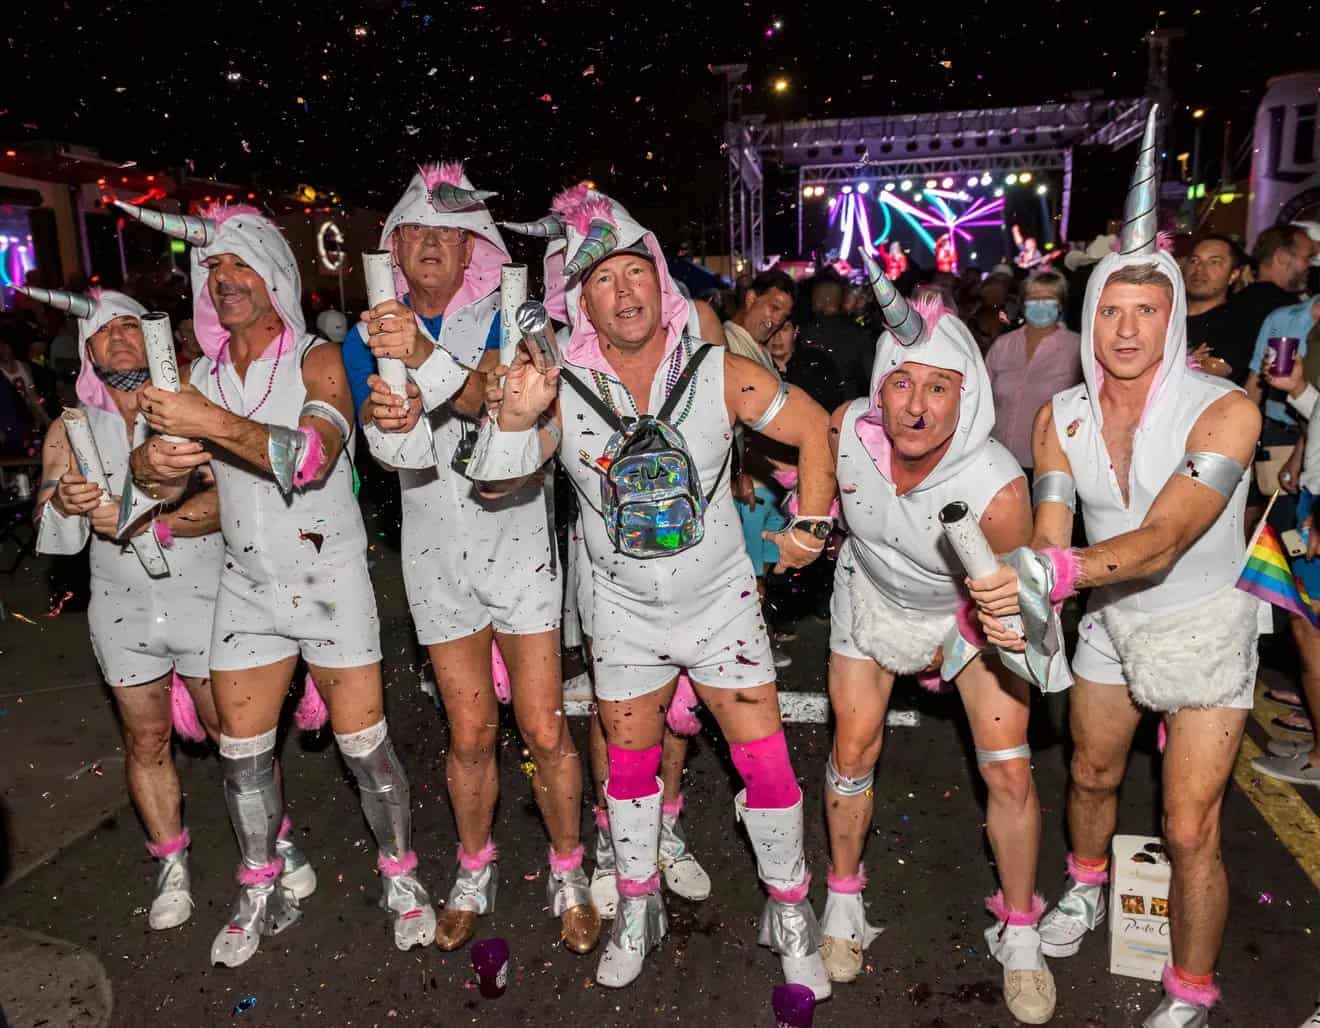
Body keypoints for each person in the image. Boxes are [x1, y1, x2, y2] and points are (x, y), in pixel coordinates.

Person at [465, 190, 837, 998]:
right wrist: (513, 419)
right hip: (624, 615)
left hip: (721, 607)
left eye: (638, 272)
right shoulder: (557, 386)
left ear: (660, 283)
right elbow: (495, 488)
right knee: (628, 773)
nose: (625, 290)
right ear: (580, 300)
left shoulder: (716, 370)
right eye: (604, 280)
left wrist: (812, 522)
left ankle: (792, 909)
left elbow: (812, 426)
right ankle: (638, 905)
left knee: (767, 766)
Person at [967, 108, 1262, 1027]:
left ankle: (1191, 993)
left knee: (1188, 828)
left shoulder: (1227, 412)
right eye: (1113, 312)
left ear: (1173, 320)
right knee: (1091, 778)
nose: (1126, 330)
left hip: (1204, 623)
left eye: (1148, 312)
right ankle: (1087, 886)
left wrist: (1054, 576)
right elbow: (1054, 525)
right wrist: (1025, 587)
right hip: (1107, 619)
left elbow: (1166, 537)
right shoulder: (1062, 415)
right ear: (1090, 319)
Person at [117, 200, 435, 966]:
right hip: (248, 589)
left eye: (239, 261)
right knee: (243, 757)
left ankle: (402, 876)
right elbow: (151, 481)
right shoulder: (194, 374)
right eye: (213, 267)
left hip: (331, 582)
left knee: (366, 749)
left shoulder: (316, 361)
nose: (224, 277)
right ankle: (262, 887)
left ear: (276, 274)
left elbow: (312, 458)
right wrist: (147, 468)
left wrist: (206, 421)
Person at [357, 164, 599, 954]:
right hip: (432, 556)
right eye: (415, 234)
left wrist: (426, 358)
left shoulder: (510, 314)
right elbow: (387, 447)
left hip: (518, 545)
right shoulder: (374, 335)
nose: (431, 246)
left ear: (475, 253)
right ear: (396, 250)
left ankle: (568, 868)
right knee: (467, 734)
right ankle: (473, 867)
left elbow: (493, 393)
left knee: (544, 728)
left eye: (448, 236)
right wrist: (376, 413)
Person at [819, 254, 1054, 1023]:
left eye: (938, 387)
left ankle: (1020, 932)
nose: (915, 407)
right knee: (852, 752)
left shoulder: (996, 490)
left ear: (969, 393)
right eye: (901, 383)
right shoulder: (847, 431)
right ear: (878, 386)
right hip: (870, 595)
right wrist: (805, 522)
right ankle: (844, 901)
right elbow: (816, 480)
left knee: (1011, 772)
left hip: (968, 621)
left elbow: (1029, 621)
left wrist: (1003, 620)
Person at [25, 285, 243, 933]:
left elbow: (234, 499)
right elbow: (47, 519)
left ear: (150, 339)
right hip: (121, 610)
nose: (118, 337)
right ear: (87, 351)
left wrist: (158, 512)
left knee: (236, 734)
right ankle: (172, 863)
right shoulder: (71, 430)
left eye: (130, 325)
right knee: (145, 739)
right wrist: (64, 503)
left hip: (203, 597)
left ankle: (269, 843)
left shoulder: (191, 409)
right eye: (104, 331)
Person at [985, 269, 1082, 473]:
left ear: (1061, 304)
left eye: (1047, 298)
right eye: (1033, 298)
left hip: (1051, 463)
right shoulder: (1003, 345)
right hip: (997, 461)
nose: (1039, 304)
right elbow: (982, 400)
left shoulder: (1076, 348)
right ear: (1022, 303)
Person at [1183, 234, 1247, 382]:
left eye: (1214, 262)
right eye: (1194, 260)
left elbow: (1215, 372)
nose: (1199, 268)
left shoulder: (1236, 323)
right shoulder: (1166, 314)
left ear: (1233, 275)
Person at [803, 272, 872, 401]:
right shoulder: (857, 333)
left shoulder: (805, 332)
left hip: (812, 404)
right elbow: (871, 376)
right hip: (847, 406)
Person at [723, 268, 794, 370]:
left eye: (784, 316)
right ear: (751, 299)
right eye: (775, 308)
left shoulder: (763, 351)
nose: (778, 321)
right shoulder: (725, 341)